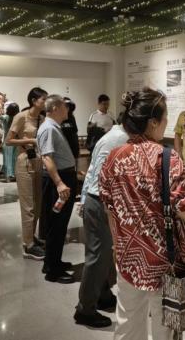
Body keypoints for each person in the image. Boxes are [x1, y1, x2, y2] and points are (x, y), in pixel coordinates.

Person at [99, 88, 185, 340]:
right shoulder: (168, 158)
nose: (166, 125)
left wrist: (117, 245)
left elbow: (110, 208)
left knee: (127, 321)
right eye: (164, 120)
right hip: (164, 257)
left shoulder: (113, 158)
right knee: (166, 325)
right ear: (152, 122)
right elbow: (184, 212)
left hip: (128, 255)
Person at [74, 112, 127, 328]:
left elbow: (92, 171)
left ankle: (103, 295)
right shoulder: (120, 139)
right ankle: (85, 309)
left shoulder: (111, 136)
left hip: (96, 200)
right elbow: (100, 176)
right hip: (101, 202)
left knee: (103, 253)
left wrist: (84, 199)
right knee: (98, 256)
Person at [37, 95, 77, 284]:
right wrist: (60, 183)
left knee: (60, 225)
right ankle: (52, 270)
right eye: (64, 107)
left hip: (62, 176)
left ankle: (53, 262)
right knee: (55, 225)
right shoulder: (49, 129)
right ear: (54, 108)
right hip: (57, 181)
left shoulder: (53, 127)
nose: (67, 110)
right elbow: (47, 158)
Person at [6, 87, 47, 260]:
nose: (45, 102)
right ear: (33, 101)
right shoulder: (21, 117)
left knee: (38, 204)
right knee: (28, 206)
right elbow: (9, 140)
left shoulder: (42, 118)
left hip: (38, 162)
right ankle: (28, 245)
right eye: (42, 99)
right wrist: (29, 140)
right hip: (24, 163)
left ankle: (31, 237)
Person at [0, 101, 19, 182]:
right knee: (15, 159)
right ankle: (15, 176)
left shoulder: (5, 117)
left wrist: (0, 105)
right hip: (16, 141)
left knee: (7, 160)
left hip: (7, 141)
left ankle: (7, 178)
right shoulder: (18, 117)